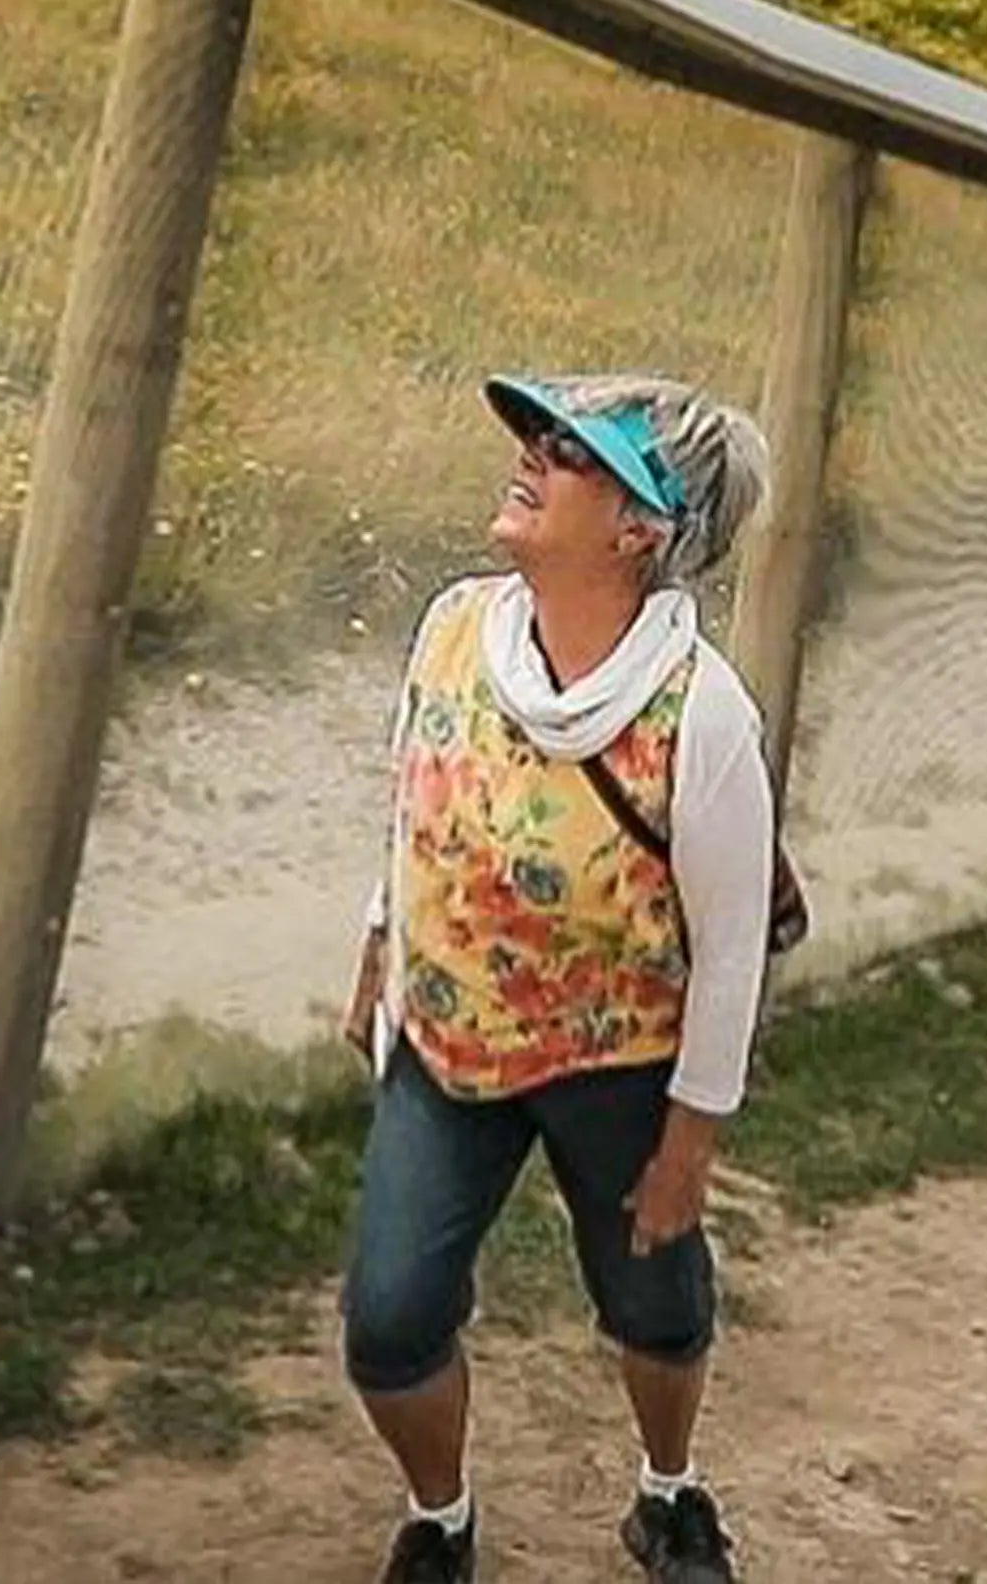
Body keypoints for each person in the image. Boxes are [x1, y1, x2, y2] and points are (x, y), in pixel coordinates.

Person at [340, 374, 778, 1584]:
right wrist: (383, 940)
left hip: (618, 1066)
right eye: (542, 435)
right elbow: (416, 792)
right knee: (389, 1323)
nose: (533, 454)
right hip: (445, 1045)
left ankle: (668, 1493)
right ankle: (441, 1517)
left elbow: (733, 942)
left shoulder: (702, 716)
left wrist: (690, 1140)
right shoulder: (451, 626)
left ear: (643, 527)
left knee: (656, 1307)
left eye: (574, 452)